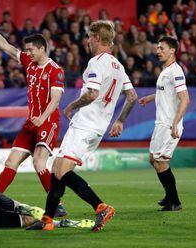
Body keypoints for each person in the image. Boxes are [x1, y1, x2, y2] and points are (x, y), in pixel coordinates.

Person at [27, 20, 138, 232]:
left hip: (85, 123)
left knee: (61, 170)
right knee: (58, 168)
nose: (87, 41)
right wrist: (120, 120)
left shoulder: (97, 62)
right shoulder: (119, 66)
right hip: (98, 127)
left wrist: (71, 106)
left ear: (97, 38)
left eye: (89, 37)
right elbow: (132, 96)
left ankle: (101, 207)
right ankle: (48, 219)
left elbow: (92, 93)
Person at [0, 11, 67, 217]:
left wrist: (42, 117)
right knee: (11, 162)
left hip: (48, 121)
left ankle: (56, 204)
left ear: (42, 48)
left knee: (39, 161)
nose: (27, 52)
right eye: (26, 49)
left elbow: (56, 100)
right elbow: (5, 46)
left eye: (31, 49)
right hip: (31, 122)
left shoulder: (56, 70)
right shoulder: (29, 62)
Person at [138, 36, 190, 211]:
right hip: (161, 124)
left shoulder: (176, 71)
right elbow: (168, 94)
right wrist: (152, 98)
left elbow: (185, 99)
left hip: (169, 125)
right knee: (154, 159)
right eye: (157, 48)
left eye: (161, 48)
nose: (157, 51)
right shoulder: (165, 71)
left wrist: (175, 123)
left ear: (172, 50)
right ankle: (170, 197)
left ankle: (174, 201)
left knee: (160, 163)